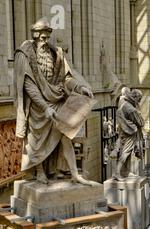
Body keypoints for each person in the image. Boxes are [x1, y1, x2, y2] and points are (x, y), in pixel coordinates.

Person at [14, 18, 95, 185]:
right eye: (42, 38)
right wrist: (45, 107)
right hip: (38, 107)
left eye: (47, 37)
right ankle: (39, 171)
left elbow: (66, 79)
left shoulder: (56, 53)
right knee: (36, 142)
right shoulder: (24, 54)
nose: (45, 41)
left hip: (57, 102)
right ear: (35, 36)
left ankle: (74, 174)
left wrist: (80, 88)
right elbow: (29, 86)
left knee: (66, 136)